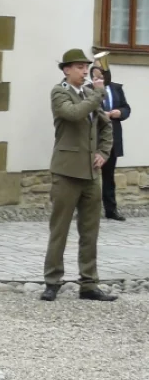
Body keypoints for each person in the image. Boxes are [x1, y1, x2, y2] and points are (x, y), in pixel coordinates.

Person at [40, 49, 116, 302]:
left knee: (90, 230)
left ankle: (89, 283)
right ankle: (52, 281)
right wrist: (97, 94)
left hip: (91, 173)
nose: (85, 71)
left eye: (86, 67)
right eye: (80, 67)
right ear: (66, 70)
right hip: (66, 171)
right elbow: (73, 114)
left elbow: (106, 125)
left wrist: (104, 152)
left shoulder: (88, 94)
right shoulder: (60, 92)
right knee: (59, 229)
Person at [89, 66, 130, 221]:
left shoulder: (116, 88)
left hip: (112, 137)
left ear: (106, 75)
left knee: (108, 176)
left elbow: (126, 108)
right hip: (93, 137)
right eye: (95, 77)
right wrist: (100, 114)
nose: (98, 79)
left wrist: (120, 113)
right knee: (89, 176)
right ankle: (88, 210)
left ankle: (111, 210)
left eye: (100, 76)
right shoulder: (87, 89)